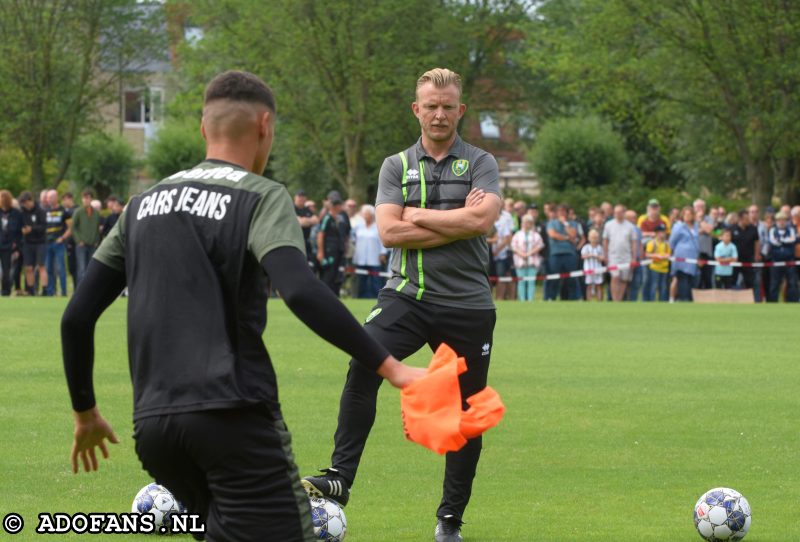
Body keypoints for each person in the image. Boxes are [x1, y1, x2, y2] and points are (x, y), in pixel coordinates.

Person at [60, 70, 424, 542]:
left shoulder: (141, 205)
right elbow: (299, 289)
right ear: (264, 126)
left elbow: (76, 317)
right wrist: (391, 367)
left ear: (203, 128)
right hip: (232, 416)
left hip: (155, 428)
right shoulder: (261, 197)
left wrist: (85, 413)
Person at [301, 68, 502, 542]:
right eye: (430, 106)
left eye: (447, 106)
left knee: (467, 411)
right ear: (417, 109)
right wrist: (459, 219)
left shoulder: (481, 161)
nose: (438, 114)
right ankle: (339, 477)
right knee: (363, 362)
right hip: (406, 295)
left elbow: (485, 220)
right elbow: (390, 232)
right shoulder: (397, 166)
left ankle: (449, 520)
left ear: (460, 111)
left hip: (468, 305)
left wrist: (419, 214)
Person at [351, 204, 387, 298]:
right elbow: (352, 237)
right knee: (361, 280)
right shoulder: (358, 226)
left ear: (371, 215)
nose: (365, 216)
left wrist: (383, 253)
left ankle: (377, 297)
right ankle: (361, 297)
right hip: (360, 258)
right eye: (364, 214)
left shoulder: (377, 226)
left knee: (376, 280)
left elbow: (382, 240)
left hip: (374, 257)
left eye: (367, 214)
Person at [603, 204, 637, 302]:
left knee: (624, 279)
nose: (617, 214)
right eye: (616, 212)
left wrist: (634, 257)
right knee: (615, 277)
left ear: (623, 213)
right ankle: (615, 299)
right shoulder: (608, 225)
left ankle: (620, 299)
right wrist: (605, 255)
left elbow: (634, 242)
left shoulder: (630, 226)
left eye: (619, 212)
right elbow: (605, 240)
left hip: (626, 256)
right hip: (613, 256)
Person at [545, 204, 579, 300]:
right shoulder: (551, 223)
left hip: (570, 254)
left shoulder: (572, 223)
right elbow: (553, 235)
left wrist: (565, 224)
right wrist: (567, 238)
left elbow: (573, 235)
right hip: (555, 254)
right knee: (554, 278)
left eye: (563, 211)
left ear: (567, 213)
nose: (561, 213)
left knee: (571, 278)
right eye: (559, 211)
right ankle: (551, 297)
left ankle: (573, 298)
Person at [317, 190, 346, 295]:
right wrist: (321, 253)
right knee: (328, 276)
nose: (339, 206)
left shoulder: (340, 218)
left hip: (338, 251)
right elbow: (320, 235)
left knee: (336, 276)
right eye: (337, 204)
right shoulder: (327, 218)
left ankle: (334, 297)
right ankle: (324, 296)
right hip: (329, 251)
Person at [70, 189, 102, 285]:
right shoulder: (78, 212)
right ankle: (80, 290)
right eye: (84, 198)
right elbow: (73, 227)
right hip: (81, 245)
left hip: (92, 244)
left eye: (88, 198)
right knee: (81, 268)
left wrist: (96, 240)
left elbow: (97, 228)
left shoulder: (96, 213)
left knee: (90, 268)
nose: (86, 200)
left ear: (91, 199)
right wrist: (78, 240)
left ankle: (89, 289)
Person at [19, 191, 48, 296]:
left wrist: (31, 229)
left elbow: (43, 227)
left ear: (30, 200)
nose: (25, 205)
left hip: (40, 242)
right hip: (27, 243)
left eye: (26, 203)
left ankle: (45, 289)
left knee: (41, 266)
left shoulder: (41, 211)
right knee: (28, 267)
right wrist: (22, 230)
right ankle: (31, 290)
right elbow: (19, 225)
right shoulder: (22, 212)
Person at [669, 206, 700, 302]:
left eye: (690, 214)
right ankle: (683, 299)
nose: (688, 216)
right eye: (686, 214)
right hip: (681, 257)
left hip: (693, 257)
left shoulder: (695, 226)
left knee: (692, 279)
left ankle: (689, 298)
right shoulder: (678, 226)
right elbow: (672, 241)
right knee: (682, 279)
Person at [43, 189, 70, 296]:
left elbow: (70, 228)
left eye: (50, 197)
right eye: (47, 197)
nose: (48, 199)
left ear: (55, 197)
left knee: (61, 268)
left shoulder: (64, 211)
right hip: (47, 243)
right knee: (48, 268)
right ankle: (51, 292)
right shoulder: (45, 211)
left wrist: (62, 238)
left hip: (58, 243)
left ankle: (63, 292)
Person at [511, 214, 543, 301]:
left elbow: (539, 245)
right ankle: (522, 300)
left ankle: (530, 300)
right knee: (521, 282)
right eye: (524, 222)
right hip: (520, 261)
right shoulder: (517, 234)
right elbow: (514, 246)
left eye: (528, 222)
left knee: (531, 282)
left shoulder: (536, 235)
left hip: (532, 261)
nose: (526, 224)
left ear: (531, 224)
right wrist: (522, 254)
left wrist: (529, 254)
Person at [767, 211, 798, 302]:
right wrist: (784, 241)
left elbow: (792, 240)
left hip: (789, 261)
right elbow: (773, 242)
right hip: (776, 261)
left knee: (792, 283)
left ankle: (793, 302)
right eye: (779, 220)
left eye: (783, 220)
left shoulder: (791, 230)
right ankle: (773, 302)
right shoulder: (773, 230)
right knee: (774, 283)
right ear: (776, 221)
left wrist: (781, 241)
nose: (781, 222)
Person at [731, 209, 760, 300]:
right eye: (746, 219)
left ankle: (752, 300)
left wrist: (757, 255)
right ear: (740, 219)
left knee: (750, 281)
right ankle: (732, 299)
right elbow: (720, 235)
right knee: (733, 281)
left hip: (748, 260)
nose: (748, 221)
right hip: (735, 260)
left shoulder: (753, 229)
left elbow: (757, 242)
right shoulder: (732, 228)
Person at [0, 190, 24, 296]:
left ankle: (6, 290)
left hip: (8, 245)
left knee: (6, 269)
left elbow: (19, 230)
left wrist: (16, 244)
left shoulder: (16, 213)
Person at [642, 224, 671, 302]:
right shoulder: (652, 243)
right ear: (657, 233)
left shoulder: (666, 244)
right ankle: (652, 300)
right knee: (654, 286)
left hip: (664, 268)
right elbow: (647, 254)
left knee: (663, 286)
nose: (663, 234)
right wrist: (657, 256)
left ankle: (662, 301)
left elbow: (669, 253)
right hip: (655, 268)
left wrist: (665, 256)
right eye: (661, 232)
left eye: (664, 232)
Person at [581, 229, 605, 301]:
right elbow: (583, 256)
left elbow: (602, 258)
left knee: (598, 285)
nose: (593, 239)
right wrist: (590, 255)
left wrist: (597, 257)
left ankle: (599, 300)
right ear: (589, 238)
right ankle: (589, 300)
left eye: (595, 238)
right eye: (592, 238)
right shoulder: (586, 247)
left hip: (598, 269)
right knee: (589, 285)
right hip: (588, 269)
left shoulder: (599, 248)